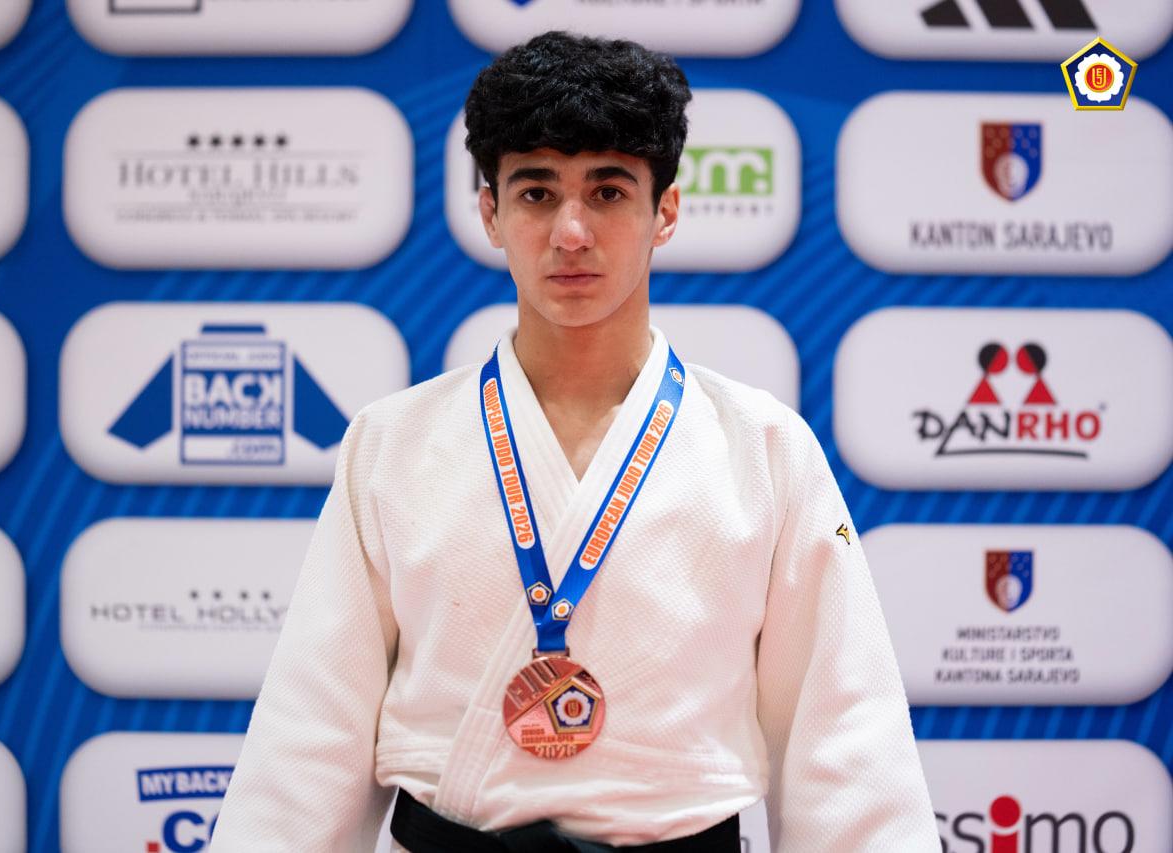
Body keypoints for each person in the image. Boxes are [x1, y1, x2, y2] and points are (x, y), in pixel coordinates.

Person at [211, 31, 939, 852]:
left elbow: (842, 736)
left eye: (608, 191)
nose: (571, 231)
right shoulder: (393, 444)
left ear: (665, 211)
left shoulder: (765, 449)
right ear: (490, 212)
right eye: (535, 192)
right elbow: (313, 731)